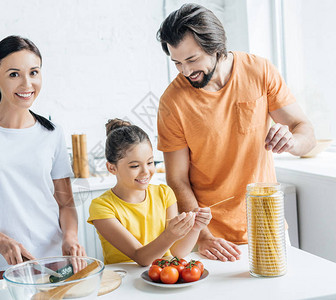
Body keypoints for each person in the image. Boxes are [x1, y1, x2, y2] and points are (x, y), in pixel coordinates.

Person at [156, 4, 316, 262]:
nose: (185, 71)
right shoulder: (172, 102)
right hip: (211, 240)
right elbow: (177, 180)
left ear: (216, 47)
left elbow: (305, 131)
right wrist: (203, 235)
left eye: (192, 59)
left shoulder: (259, 71)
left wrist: (292, 141)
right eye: (177, 63)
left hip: (268, 225)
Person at [0, 35, 85, 282]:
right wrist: (1, 241)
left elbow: (65, 204)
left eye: (34, 72)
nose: (26, 83)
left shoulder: (52, 133)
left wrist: (70, 237)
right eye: (14, 74)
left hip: (52, 262)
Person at [87, 119, 212, 266]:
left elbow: (176, 253)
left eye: (150, 162)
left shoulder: (164, 194)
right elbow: (141, 257)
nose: (146, 172)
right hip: (125, 282)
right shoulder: (102, 207)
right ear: (111, 168)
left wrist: (195, 228)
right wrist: (169, 235)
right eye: (134, 166)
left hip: (162, 277)